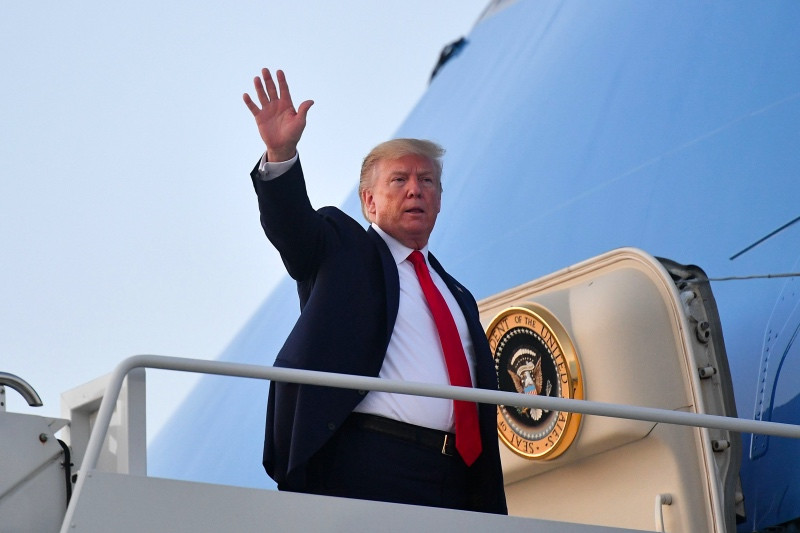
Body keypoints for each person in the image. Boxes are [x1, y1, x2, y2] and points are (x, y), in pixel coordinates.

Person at [243, 68, 507, 514]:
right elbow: (293, 230)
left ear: (440, 201)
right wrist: (280, 153)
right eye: (399, 180)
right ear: (369, 201)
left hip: (458, 478)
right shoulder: (342, 249)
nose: (415, 190)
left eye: (427, 181)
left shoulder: (456, 294)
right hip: (369, 462)